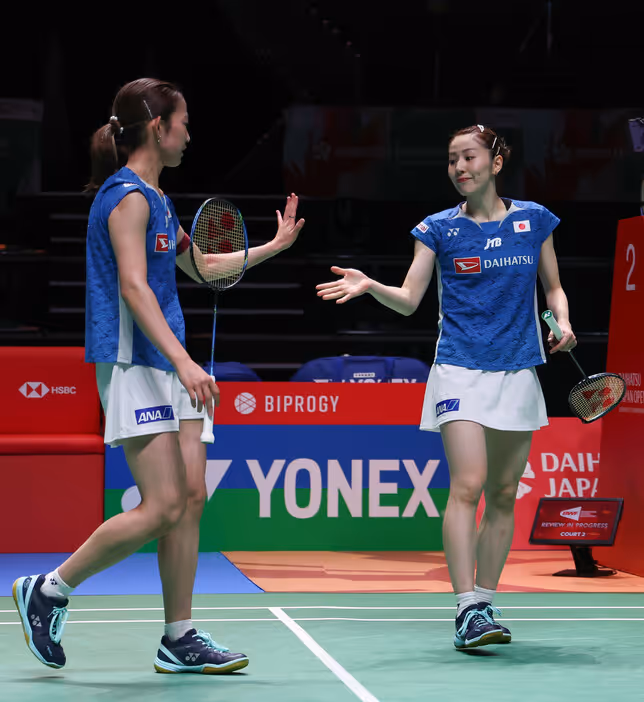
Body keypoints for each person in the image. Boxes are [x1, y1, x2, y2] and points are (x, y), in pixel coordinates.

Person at [12, 78, 304, 673]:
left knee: (191, 498)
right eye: (184, 122)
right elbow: (133, 285)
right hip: (136, 362)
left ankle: (180, 636)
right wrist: (184, 361)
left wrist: (272, 246)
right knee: (163, 505)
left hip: (168, 363)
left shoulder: (160, 199)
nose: (189, 134)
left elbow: (202, 267)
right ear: (157, 126)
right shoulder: (127, 198)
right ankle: (48, 589)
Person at [316, 124, 576, 650]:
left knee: (503, 493)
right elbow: (410, 300)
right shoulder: (437, 229)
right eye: (453, 159)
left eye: (469, 157)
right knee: (468, 484)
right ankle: (465, 608)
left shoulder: (533, 221)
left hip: (517, 368)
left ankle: (486, 600)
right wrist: (370, 285)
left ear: (496, 162)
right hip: (459, 366)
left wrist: (562, 321)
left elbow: (553, 288)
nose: (459, 168)